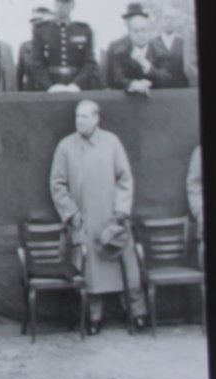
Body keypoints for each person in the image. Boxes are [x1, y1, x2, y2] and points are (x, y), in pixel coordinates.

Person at [49, 100, 149, 334]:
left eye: (85, 117)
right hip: (85, 221)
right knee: (91, 272)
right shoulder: (65, 147)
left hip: (113, 219)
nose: (80, 121)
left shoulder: (111, 142)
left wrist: (122, 210)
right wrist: (71, 213)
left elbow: (125, 179)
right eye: (77, 117)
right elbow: (57, 185)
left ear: (96, 119)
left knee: (128, 268)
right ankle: (94, 318)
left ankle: (137, 314)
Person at [29, 0, 102, 92]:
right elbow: (36, 63)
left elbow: (89, 63)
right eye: (58, 0)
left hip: (77, 90)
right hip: (49, 90)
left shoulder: (83, 30)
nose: (61, 5)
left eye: (65, 1)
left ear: (73, 4)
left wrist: (76, 85)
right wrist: (49, 86)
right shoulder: (41, 30)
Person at [104, 3, 189, 93]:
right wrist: (132, 84)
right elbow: (117, 79)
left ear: (149, 32)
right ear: (130, 33)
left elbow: (167, 80)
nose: (140, 35)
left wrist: (148, 67)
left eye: (143, 30)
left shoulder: (160, 54)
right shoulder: (120, 54)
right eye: (136, 31)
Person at [17, 6, 53, 91]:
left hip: (52, 95)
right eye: (33, 22)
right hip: (30, 95)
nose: (35, 26)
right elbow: (19, 78)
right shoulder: (25, 47)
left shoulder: (58, 47)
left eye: (39, 22)